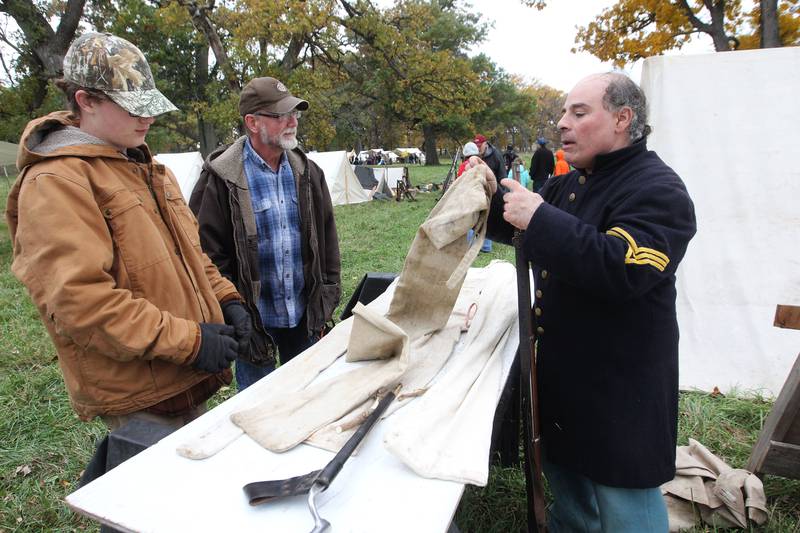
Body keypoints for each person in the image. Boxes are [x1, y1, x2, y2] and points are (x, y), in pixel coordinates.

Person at [472, 72, 696, 531]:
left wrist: (539, 218)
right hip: (565, 377)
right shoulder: (570, 184)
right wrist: (490, 195)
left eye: (578, 113)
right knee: (571, 498)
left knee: (625, 508)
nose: (562, 124)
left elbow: (624, 269)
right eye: (563, 113)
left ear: (622, 118)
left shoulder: (658, 189)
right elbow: (523, 228)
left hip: (619, 387)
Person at [6, 33, 250, 435]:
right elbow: (82, 304)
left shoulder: (147, 169)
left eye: (149, 107)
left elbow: (191, 254)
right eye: (133, 108)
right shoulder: (56, 182)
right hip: (141, 392)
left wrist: (226, 299)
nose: (148, 118)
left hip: (186, 378)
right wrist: (190, 341)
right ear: (86, 101)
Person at [190, 77, 341, 391]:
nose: (291, 121)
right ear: (252, 122)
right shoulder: (220, 178)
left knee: (310, 398)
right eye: (280, 115)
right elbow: (206, 254)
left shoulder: (309, 173)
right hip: (254, 322)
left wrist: (327, 294)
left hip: (304, 315)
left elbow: (327, 240)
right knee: (260, 407)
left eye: (294, 114)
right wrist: (234, 310)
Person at [473, 134, 506, 253]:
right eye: (475, 145)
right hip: (477, 190)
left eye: (479, 145)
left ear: (485, 144)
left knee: (488, 216)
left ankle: (486, 244)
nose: (477, 148)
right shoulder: (474, 155)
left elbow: (502, 174)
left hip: (492, 191)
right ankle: (476, 240)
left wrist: (500, 193)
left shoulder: (496, 155)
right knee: (476, 215)